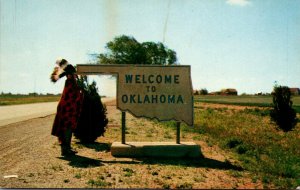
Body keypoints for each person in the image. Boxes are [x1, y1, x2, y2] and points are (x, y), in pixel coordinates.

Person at [50, 58, 83, 156]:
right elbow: (55, 78)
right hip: (68, 106)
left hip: (68, 106)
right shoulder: (70, 77)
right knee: (67, 127)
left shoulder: (71, 77)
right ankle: (66, 149)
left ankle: (66, 149)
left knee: (67, 127)